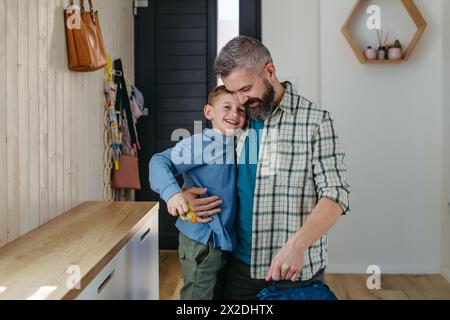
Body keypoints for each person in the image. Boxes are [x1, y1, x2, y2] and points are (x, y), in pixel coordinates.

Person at [182, 36, 351, 299]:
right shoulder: (236, 121)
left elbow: (336, 195)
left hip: (293, 274)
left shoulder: (316, 121)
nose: (240, 100)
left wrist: (297, 246)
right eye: (233, 91)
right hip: (237, 268)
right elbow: (206, 164)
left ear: (269, 71)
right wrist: (184, 194)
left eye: (246, 88)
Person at [149, 85, 247, 300]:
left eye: (241, 110)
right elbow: (159, 161)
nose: (235, 114)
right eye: (227, 107)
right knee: (197, 296)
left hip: (220, 239)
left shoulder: (234, 143)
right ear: (209, 112)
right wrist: (174, 194)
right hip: (201, 239)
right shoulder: (203, 143)